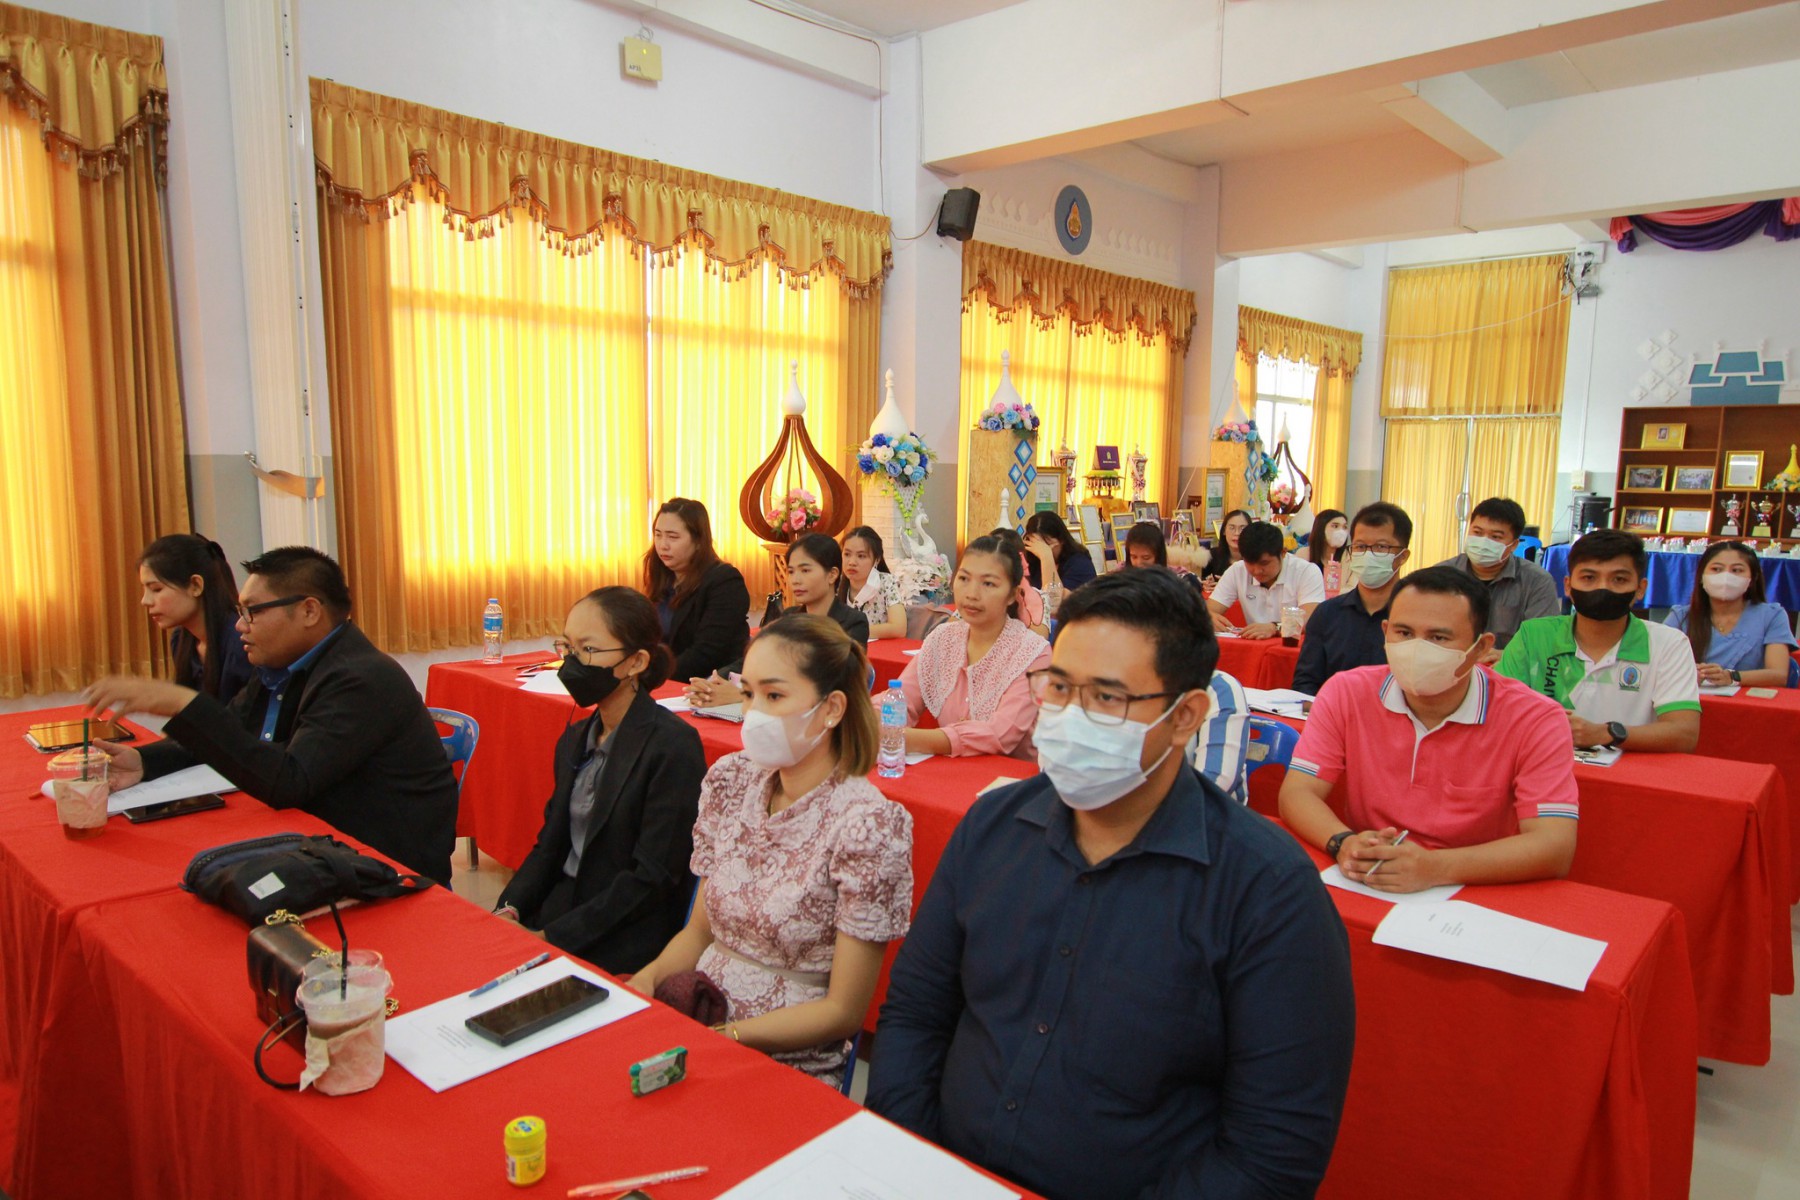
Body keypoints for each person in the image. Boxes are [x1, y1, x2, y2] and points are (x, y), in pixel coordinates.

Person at [868, 568, 1355, 1200]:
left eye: (1106, 698)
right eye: (1058, 687)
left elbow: (1275, 1152)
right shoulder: (992, 828)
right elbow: (915, 1015)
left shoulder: (1268, 892)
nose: (1068, 717)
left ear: (1185, 716)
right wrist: (913, 1163)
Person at [628, 616, 913, 1088]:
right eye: (748, 694)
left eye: (774, 697)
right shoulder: (732, 779)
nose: (754, 713)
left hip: (788, 1058)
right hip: (698, 1012)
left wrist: (728, 1038)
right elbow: (699, 932)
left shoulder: (868, 824)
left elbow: (843, 1011)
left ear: (831, 708)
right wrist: (648, 980)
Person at [84, 547, 459, 882]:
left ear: (309, 610)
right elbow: (229, 731)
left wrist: (182, 703)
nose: (240, 625)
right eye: (240, 612)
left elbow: (289, 782)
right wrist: (144, 761)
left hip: (386, 869)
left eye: (252, 612)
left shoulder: (359, 678)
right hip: (323, 847)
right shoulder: (283, 664)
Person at [1279, 567, 1579, 893]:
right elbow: (1298, 793)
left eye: (1438, 638)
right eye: (1404, 633)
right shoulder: (1346, 692)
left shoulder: (1536, 718)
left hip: (1477, 887)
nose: (1416, 649)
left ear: (1481, 648)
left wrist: (1434, 867)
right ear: (1385, 632)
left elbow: (1554, 845)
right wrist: (1343, 842)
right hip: (1371, 875)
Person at [494, 587, 707, 973]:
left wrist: (551, 938)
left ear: (636, 662)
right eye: (568, 647)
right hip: (565, 908)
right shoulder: (576, 738)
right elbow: (550, 845)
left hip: (626, 928)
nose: (572, 662)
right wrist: (510, 908)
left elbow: (651, 877)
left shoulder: (672, 746)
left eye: (588, 650)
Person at [1497, 530, 1700, 753]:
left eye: (1619, 579)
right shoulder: (1533, 634)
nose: (1603, 588)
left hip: (1630, 771)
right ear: (1568, 586)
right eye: (1589, 578)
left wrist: (1605, 733)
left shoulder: (1669, 643)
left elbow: (1684, 733)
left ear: (1640, 589)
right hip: (1541, 762)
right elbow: (1498, 711)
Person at [901, 536, 1051, 760]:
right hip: (951, 771)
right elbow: (901, 698)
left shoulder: (1034, 653)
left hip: (1009, 777)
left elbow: (999, 734)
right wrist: (873, 722)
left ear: (1012, 595)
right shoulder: (943, 638)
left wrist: (903, 738)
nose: (971, 594)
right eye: (964, 578)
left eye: (988, 584)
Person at [686, 534, 869, 707]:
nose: (795, 580)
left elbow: (830, 683)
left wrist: (744, 694)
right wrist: (713, 681)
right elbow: (755, 660)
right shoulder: (789, 617)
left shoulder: (852, 622)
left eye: (805, 570)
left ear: (832, 575)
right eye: (791, 571)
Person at [1292, 502, 1413, 694]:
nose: (1368, 554)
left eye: (1381, 547)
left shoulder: (1416, 617)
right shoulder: (1327, 614)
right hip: (1333, 710)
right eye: (1360, 546)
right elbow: (1305, 684)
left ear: (1402, 556)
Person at [643, 498, 750, 682]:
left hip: (708, 682)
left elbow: (707, 653)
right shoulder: (663, 576)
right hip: (667, 678)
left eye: (673, 537)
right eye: (658, 535)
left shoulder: (725, 581)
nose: (662, 545)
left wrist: (653, 678)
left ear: (699, 541)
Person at [138, 533, 252, 705]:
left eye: (156, 589)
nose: (145, 601)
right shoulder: (180, 640)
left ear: (196, 586)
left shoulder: (241, 643)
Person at [1666, 541, 1797, 688]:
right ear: (1701, 576)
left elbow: (1778, 675)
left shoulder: (1772, 615)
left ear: (1752, 579)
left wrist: (1731, 677)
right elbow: (1657, 664)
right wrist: (1687, 673)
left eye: (1736, 570)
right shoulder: (1680, 616)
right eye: (1716, 569)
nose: (1726, 577)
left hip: (1748, 700)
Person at [1436, 497, 1560, 650]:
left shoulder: (1537, 581)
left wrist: (1507, 656)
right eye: (1477, 532)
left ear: (1513, 545)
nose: (1483, 542)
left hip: (1509, 663)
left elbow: (1543, 640)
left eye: (1495, 537)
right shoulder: (1441, 575)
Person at [1206, 520, 1324, 638]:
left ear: (1283, 553)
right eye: (1250, 563)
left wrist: (1275, 627)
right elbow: (1209, 610)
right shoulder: (1237, 571)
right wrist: (1208, 617)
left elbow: (1310, 619)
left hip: (1294, 646)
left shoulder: (1306, 572)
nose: (1257, 571)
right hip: (1255, 645)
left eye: (1264, 563)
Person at [840, 525, 907, 639]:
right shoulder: (835, 584)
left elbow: (899, 628)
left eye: (861, 556)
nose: (851, 562)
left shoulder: (886, 582)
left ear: (877, 559)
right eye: (847, 554)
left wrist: (851, 632)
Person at [1022, 510, 1096, 608]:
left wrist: (1046, 556)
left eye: (1047, 545)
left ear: (1062, 540)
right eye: (1036, 545)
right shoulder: (1031, 558)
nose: (1039, 550)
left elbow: (1053, 603)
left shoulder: (1080, 563)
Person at [1123, 521, 1204, 595]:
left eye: (1146, 558)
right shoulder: (1121, 578)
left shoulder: (1175, 578)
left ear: (1159, 555)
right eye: (1134, 557)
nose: (1139, 563)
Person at [1299, 508, 1349, 597]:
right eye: (1335, 526)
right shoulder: (1303, 554)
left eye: (1344, 527)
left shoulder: (1350, 557)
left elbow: (1352, 589)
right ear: (1321, 528)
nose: (1341, 531)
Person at [1200, 508, 1251, 595]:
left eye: (1242, 528)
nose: (1237, 533)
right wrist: (1206, 585)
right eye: (1232, 528)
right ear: (1223, 530)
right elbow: (1203, 581)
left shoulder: (1256, 559)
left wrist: (1228, 586)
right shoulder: (1211, 555)